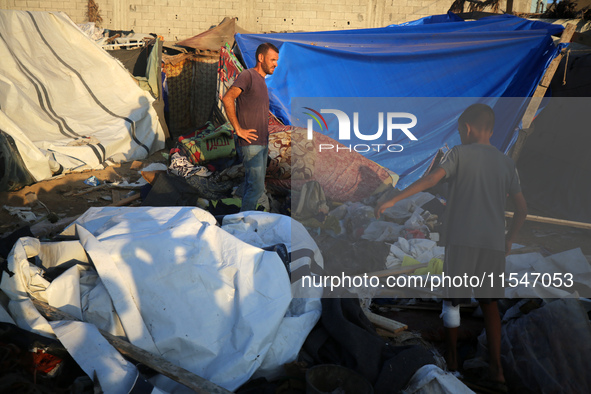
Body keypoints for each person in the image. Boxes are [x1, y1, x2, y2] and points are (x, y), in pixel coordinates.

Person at [376, 103, 527, 390]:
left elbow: (432, 178)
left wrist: (393, 199)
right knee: (490, 303)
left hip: (462, 240)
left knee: (453, 300)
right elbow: (522, 210)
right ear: (492, 130)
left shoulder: (459, 154)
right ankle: (497, 371)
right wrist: (509, 239)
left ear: (466, 129)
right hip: (493, 244)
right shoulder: (507, 163)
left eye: (459, 131)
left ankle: (454, 363)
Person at [222, 42, 279, 211]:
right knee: (256, 188)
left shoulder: (261, 81)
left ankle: (239, 213)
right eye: (273, 59)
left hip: (261, 143)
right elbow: (227, 98)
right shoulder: (248, 75)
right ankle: (244, 223)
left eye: (277, 60)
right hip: (251, 144)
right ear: (261, 58)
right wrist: (238, 129)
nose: (276, 63)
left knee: (252, 184)